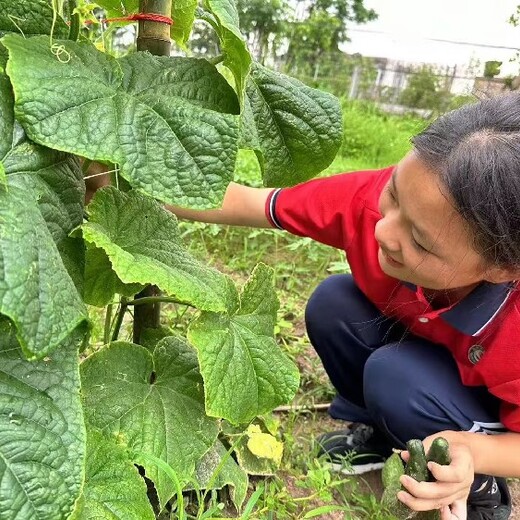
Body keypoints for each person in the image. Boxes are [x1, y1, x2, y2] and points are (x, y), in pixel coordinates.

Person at [168, 93, 520, 520]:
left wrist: (471, 451)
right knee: (335, 304)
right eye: (393, 196)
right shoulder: (383, 204)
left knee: (396, 378)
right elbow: (254, 202)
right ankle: (380, 436)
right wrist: (133, 182)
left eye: (421, 241)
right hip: (431, 354)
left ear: (503, 269)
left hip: (492, 412)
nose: (383, 232)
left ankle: (481, 492)